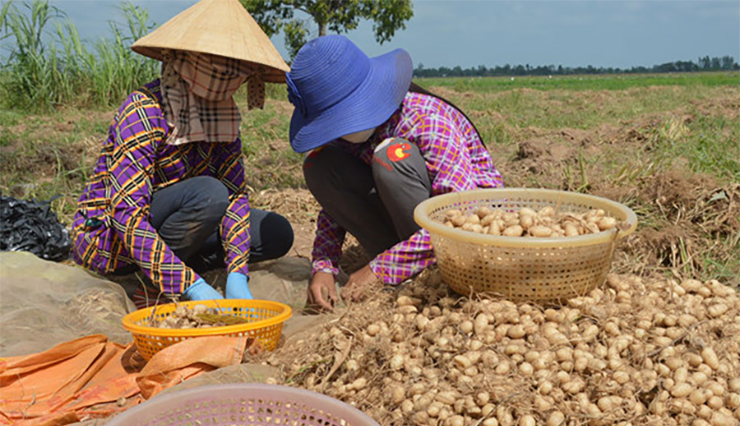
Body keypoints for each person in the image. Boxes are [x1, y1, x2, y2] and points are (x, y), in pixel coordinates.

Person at [71, 0, 294, 307]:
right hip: (116, 237)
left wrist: (237, 273)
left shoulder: (223, 118)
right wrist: (190, 286)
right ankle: (149, 279)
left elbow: (235, 196)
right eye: (217, 66)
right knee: (209, 194)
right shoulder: (144, 112)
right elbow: (127, 214)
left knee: (275, 233)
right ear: (188, 60)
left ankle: (178, 272)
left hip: (186, 222)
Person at [285, 35, 504, 311]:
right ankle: (406, 266)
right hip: (407, 239)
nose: (336, 130)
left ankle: (420, 270)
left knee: (391, 156)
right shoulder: (346, 138)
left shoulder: (427, 120)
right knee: (319, 165)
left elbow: (459, 220)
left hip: (464, 244)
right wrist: (324, 264)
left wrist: (381, 269)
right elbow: (334, 206)